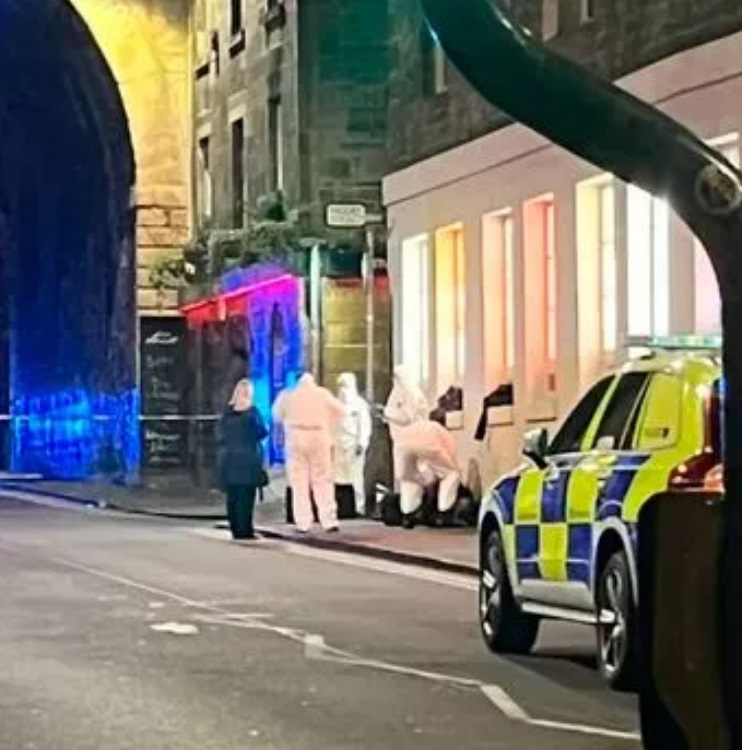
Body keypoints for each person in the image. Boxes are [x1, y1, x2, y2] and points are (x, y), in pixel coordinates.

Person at [384, 365, 462, 527]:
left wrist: (387, 413)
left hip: (401, 443)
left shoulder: (395, 395)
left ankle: (408, 515)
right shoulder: (414, 393)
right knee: (451, 473)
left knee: (410, 478)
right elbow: (408, 417)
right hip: (423, 437)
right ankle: (444, 513)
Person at [273, 372, 345, 533]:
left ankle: (303, 522)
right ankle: (329, 520)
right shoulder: (323, 394)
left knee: (299, 482)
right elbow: (341, 411)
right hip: (319, 437)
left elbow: (276, 416)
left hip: (296, 438)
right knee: (323, 480)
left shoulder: (287, 395)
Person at [218, 379, 269, 540]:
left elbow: (221, 434)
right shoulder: (252, 412)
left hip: (230, 458)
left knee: (232, 496)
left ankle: (235, 528)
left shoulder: (227, 413)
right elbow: (261, 432)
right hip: (248, 459)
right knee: (246, 497)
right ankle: (245, 529)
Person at [334, 372, 372, 516]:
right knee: (338, 477)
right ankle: (342, 507)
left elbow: (365, 426)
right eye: (340, 386)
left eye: (345, 385)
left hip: (353, 445)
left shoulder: (359, 405)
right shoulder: (335, 404)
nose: (343, 389)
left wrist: (362, 443)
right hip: (338, 445)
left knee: (355, 477)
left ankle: (358, 507)